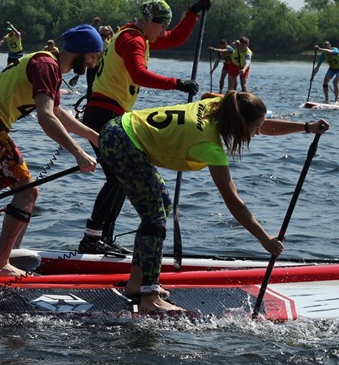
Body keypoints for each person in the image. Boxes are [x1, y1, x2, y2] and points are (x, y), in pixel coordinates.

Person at [98, 91, 329, 313]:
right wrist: (265, 239)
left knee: (160, 207)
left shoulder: (222, 105)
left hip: (118, 127)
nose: (258, 133)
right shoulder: (210, 146)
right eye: (255, 129)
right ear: (239, 124)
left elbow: (247, 117)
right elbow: (233, 201)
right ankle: (150, 297)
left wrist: (306, 128)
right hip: (123, 140)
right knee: (154, 216)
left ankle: (137, 282)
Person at [0, 24, 103, 277]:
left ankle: (10, 256)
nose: (93, 64)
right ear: (81, 51)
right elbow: (46, 117)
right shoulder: (46, 66)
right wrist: (78, 153)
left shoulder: (50, 66)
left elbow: (59, 113)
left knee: (28, 193)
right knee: (27, 193)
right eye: (93, 56)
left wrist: (94, 137)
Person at [77, 0, 211, 256]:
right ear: (149, 22)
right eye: (161, 26)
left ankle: (104, 237)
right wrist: (177, 83)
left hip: (111, 114)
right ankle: (92, 237)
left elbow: (175, 39)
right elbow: (139, 74)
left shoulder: (140, 36)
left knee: (121, 179)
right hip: (103, 114)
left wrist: (192, 13)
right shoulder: (131, 40)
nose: (163, 32)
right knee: (118, 178)